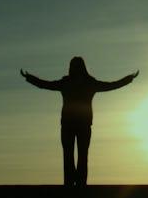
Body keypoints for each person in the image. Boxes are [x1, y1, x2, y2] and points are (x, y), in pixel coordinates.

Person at [21, 56, 138, 186]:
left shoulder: (73, 83)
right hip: (76, 125)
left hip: (73, 125)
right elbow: (110, 86)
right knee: (77, 155)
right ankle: (76, 183)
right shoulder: (84, 83)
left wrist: (128, 79)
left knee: (74, 155)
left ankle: (73, 183)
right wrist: (128, 79)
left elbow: (47, 84)